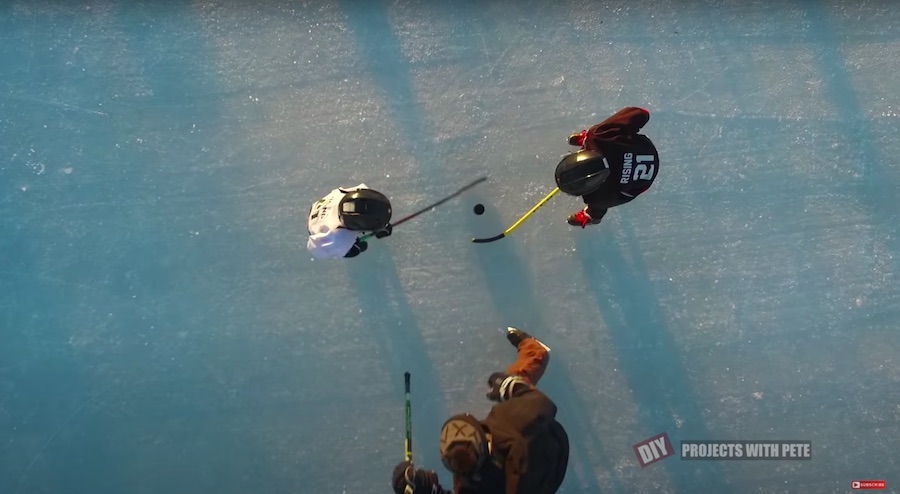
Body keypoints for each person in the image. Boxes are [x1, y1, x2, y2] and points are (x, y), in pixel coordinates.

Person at [391, 328, 569, 494]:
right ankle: (536, 352)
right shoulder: (509, 420)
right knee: (517, 384)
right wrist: (510, 386)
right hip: (554, 447)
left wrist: (429, 488)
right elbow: (542, 404)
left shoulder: (477, 485)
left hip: (544, 483)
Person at [557, 106, 659, 228]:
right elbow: (643, 113)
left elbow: (642, 115)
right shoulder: (599, 137)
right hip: (644, 148)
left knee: (603, 202)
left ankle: (592, 217)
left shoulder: (599, 197)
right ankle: (585, 139)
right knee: (595, 133)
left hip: (642, 181)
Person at [306, 184, 392, 259]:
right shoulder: (336, 238)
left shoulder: (354, 194)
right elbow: (315, 250)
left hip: (322, 207)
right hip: (315, 223)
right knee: (352, 250)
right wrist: (350, 250)